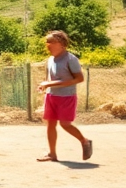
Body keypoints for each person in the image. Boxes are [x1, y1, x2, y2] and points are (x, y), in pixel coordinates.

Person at [36, 30, 93, 162]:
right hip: (51, 96)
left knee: (65, 124)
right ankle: (52, 154)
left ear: (61, 43)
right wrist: (45, 86)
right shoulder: (50, 59)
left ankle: (84, 141)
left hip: (67, 97)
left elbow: (79, 79)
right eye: (47, 42)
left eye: (51, 42)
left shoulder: (71, 59)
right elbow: (49, 78)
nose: (48, 45)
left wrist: (50, 84)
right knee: (50, 124)